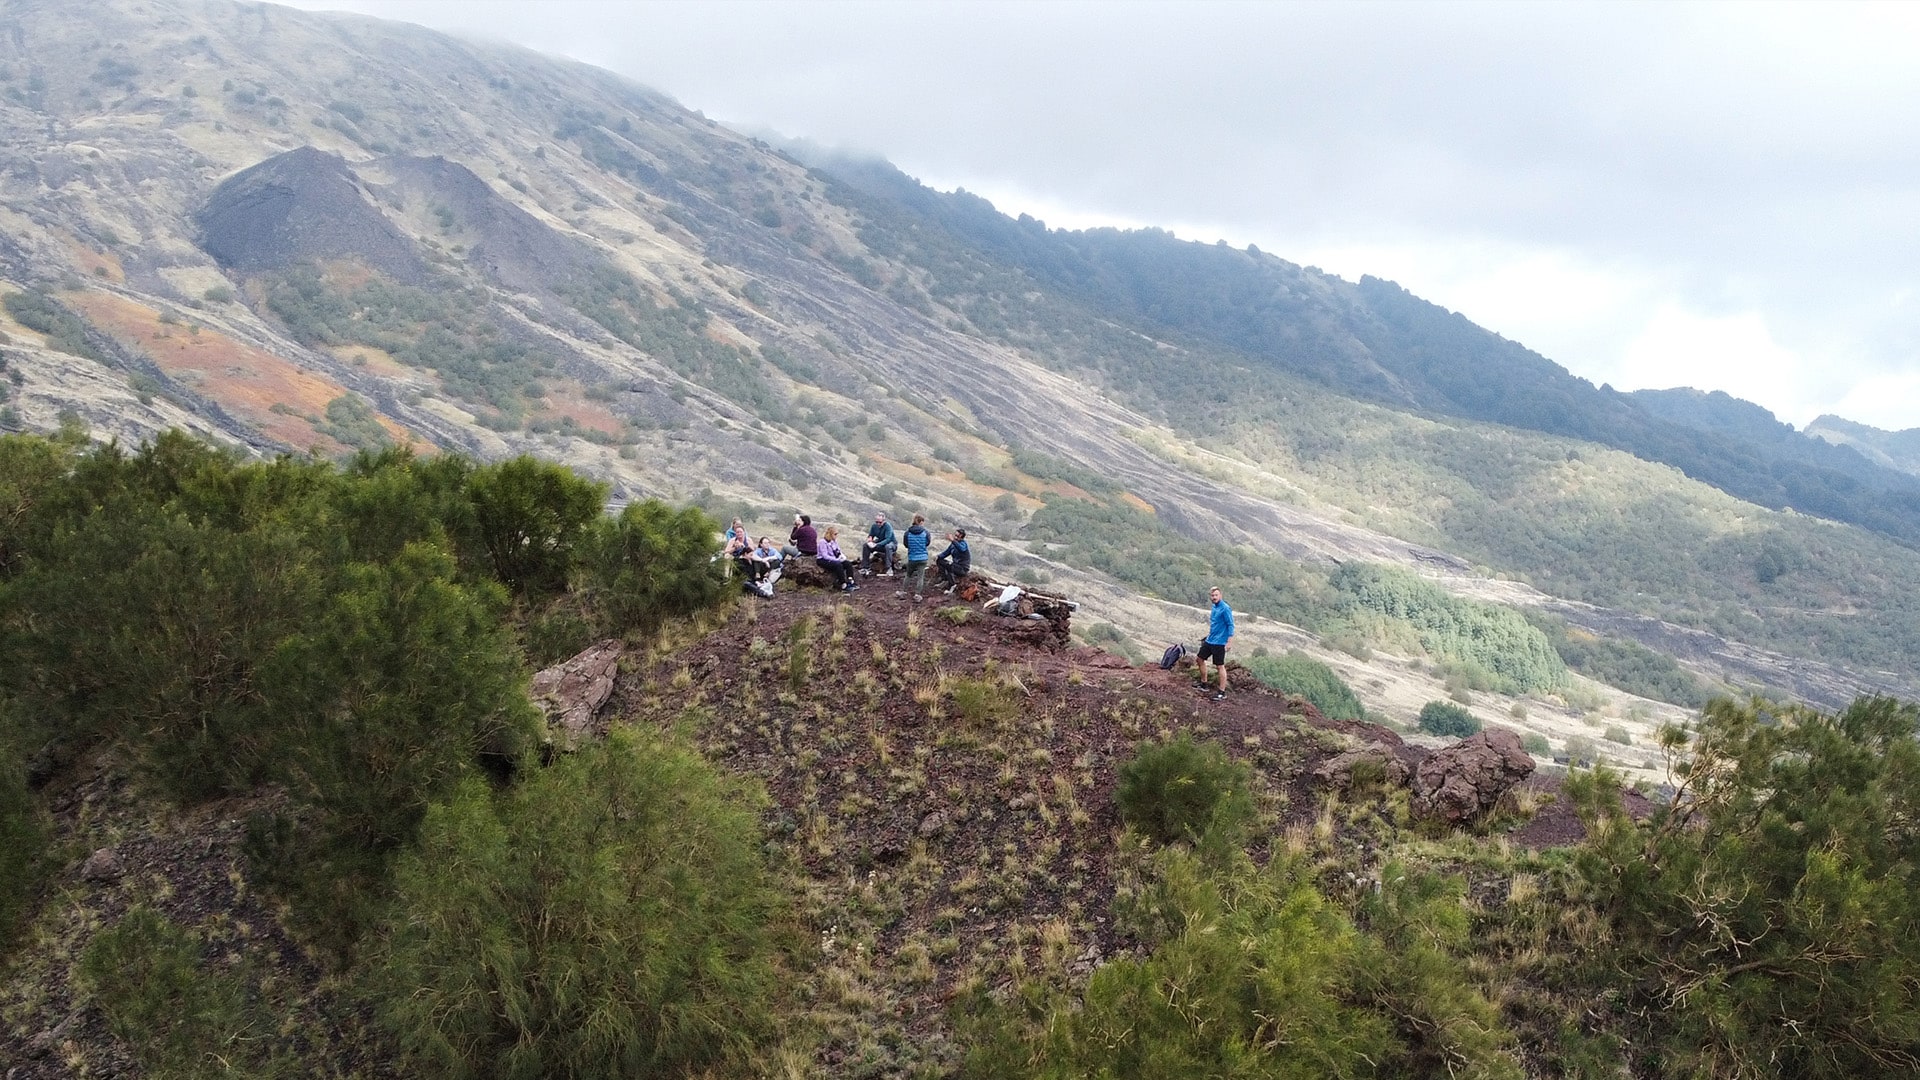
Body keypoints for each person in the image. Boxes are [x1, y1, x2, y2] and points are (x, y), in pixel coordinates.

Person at [1198, 586, 1234, 701]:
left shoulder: (1225, 608)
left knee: (1219, 666)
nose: (1214, 597)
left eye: (1216, 595)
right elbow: (1215, 624)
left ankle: (1222, 692)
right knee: (1199, 659)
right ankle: (1204, 684)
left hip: (1220, 642)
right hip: (1210, 640)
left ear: (1220, 595)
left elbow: (1230, 625)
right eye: (1212, 595)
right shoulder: (1214, 607)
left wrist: (1229, 641)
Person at [900, 513, 932, 602]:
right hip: (923, 558)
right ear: (921, 522)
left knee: (908, 575)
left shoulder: (907, 533)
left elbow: (906, 544)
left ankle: (903, 592)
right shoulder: (926, 532)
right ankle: (917, 595)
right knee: (920, 577)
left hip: (912, 558)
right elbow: (927, 543)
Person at [817, 526, 856, 592]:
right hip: (823, 560)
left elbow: (838, 551)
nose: (836, 536)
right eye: (835, 534)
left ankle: (850, 580)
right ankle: (843, 584)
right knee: (838, 565)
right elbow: (825, 555)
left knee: (848, 564)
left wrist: (841, 557)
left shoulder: (834, 542)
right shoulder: (822, 542)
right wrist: (836, 559)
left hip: (834, 558)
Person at [862, 513, 897, 577]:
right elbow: (871, 535)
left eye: (880, 522)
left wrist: (877, 544)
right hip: (880, 542)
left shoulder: (888, 526)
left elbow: (888, 539)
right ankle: (865, 567)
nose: (878, 524)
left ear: (884, 521)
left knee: (888, 546)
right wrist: (870, 539)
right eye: (876, 522)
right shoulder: (874, 526)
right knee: (866, 545)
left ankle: (889, 568)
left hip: (891, 544)